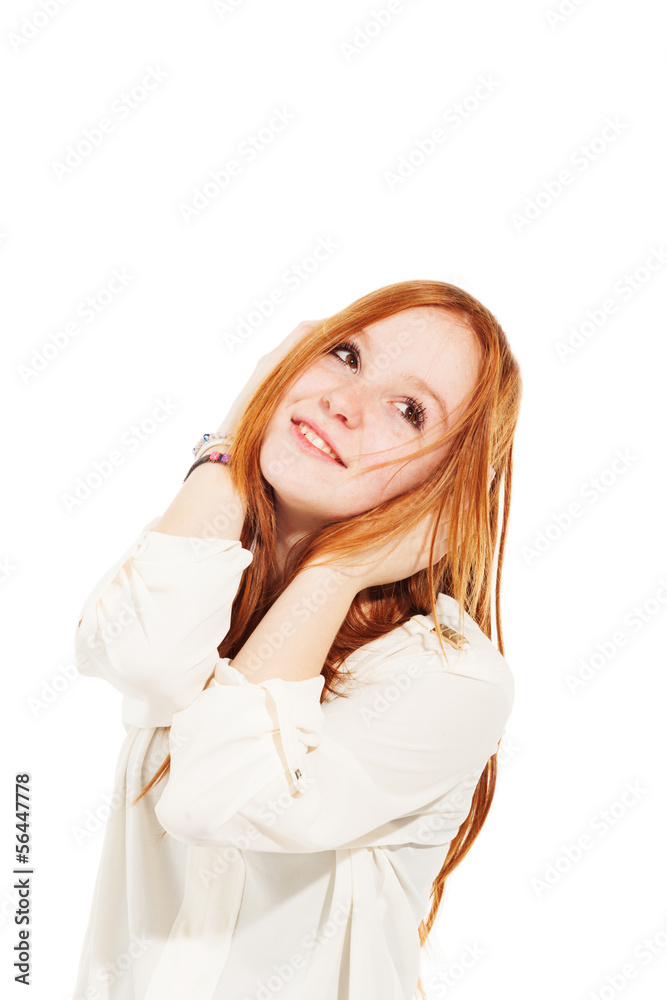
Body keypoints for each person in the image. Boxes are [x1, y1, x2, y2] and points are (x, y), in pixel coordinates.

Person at [71, 279, 522, 1000]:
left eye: (408, 411)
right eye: (344, 355)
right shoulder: (206, 558)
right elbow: (143, 657)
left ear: (443, 483)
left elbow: (215, 800)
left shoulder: (447, 678)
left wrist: (339, 570)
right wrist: (233, 434)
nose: (344, 403)